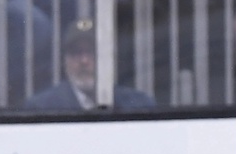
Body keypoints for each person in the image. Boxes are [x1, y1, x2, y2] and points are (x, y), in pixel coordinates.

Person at [20, 19, 156, 111]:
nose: (84, 61)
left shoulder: (139, 105)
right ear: (64, 61)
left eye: (92, 53)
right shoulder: (41, 108)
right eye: (76, 53)